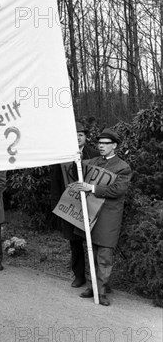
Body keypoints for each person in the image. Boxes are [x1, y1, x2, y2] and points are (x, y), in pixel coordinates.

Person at [70, 128, 132, 306]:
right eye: (100, 143)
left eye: (105, 144)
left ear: (114, 146)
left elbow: (118, 190)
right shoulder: (95, 161)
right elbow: (78, 167)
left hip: (109, 217)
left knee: (104, 254)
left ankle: (102, 291)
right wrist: (76, 158)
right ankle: (92, 286)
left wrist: (92, 188)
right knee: (92, 250)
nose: (101, 146)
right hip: (92, 213)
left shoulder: (123, 167)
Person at [50, 121, 99, 288]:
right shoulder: (62, 157)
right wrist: (57, 206)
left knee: (94, 242)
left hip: (91, 204)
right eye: (74, 135)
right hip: (70, 205)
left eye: (80, 135)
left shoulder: (94, 155)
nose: (77, 138)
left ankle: (96, 279)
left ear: (86, 137)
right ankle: (79, 276)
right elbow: (55, 184)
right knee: (75, 242)